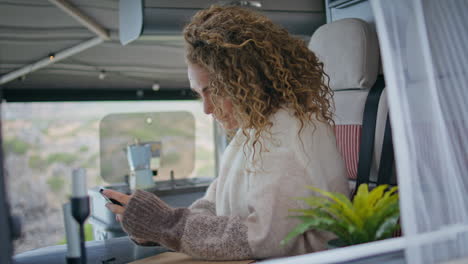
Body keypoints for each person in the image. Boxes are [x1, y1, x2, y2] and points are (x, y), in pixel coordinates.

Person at [103, 5, 349, 261]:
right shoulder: (253, 129)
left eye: (211, 91)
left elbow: (265, 237)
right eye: (199, 94)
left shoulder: (289, 132)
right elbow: (212, 206)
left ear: (245, 80)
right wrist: (154, 228)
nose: (207, 109)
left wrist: (166, 224)